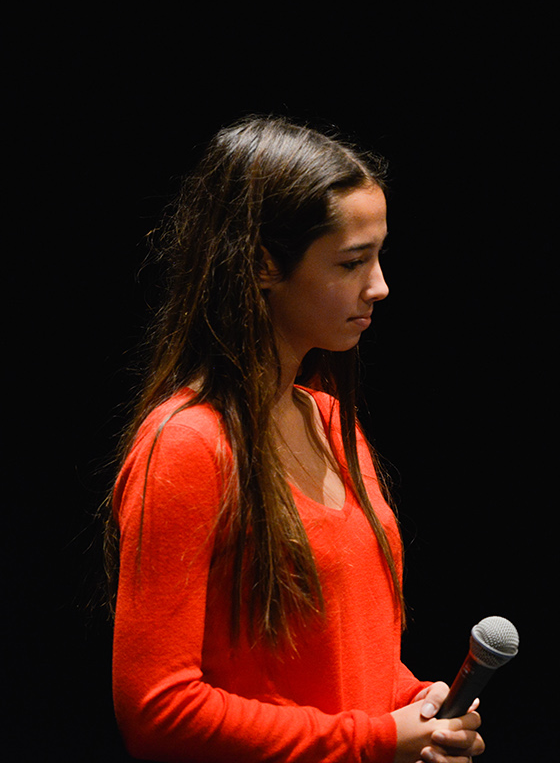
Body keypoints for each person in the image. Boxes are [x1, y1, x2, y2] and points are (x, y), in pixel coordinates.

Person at [107, 117, 484, 763]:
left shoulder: (331, 423)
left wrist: (415, 703)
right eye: (351, 262)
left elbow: (335, 659)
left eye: (378, 256)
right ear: (262, 264)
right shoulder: (188, 445)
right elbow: (158, 710)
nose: (380, 285)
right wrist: (373, 740)